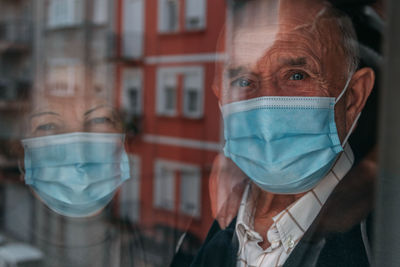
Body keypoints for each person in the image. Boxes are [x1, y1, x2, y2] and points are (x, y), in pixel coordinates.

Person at [189, 0, 376, 266]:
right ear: (219, 97)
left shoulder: (385, 234)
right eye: (243, 82)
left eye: (296, 76)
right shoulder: (206, 222)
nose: (266, 105)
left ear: (354, 97)